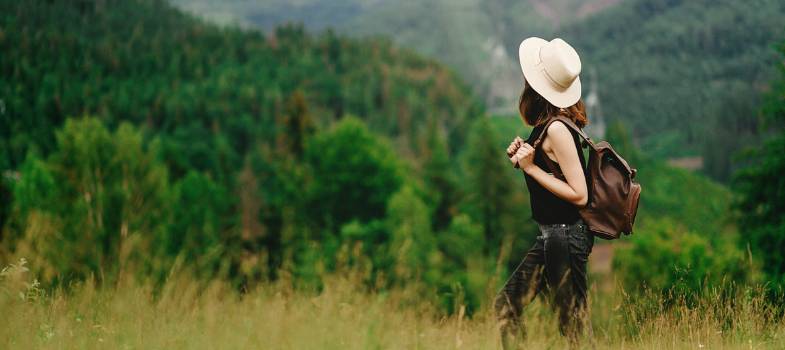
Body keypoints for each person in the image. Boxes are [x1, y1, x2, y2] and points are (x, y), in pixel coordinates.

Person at [494, 37, 594, 349]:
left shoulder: (557, 129)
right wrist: (526, 157)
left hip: (566, 236)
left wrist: (532, 168)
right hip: (553, 237)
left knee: (573, 329)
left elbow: (580, 194)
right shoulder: (548, 124)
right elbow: (551, 168)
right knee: (506, 307)